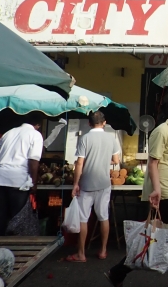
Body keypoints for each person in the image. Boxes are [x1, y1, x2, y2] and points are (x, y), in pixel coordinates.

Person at [106, 94, 168, 287]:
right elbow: (153, 163)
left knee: (158, 238)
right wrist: (157, 190)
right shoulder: (161, 131)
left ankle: (118, 272)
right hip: (164, 194)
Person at [68, 111, 120, 262]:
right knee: (104, 216)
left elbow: (79, 163)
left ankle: (81, 254)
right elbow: (116, 160)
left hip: (86, 184)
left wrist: (75, 183)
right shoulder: (111, 138)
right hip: (104, 184)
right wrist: (104, 162)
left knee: (83, 219)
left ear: (89, 123)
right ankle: (103, 251)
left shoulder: (85, 138)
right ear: (104, 123)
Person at [0, 112, 43, 236]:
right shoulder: (35, 135)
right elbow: (33, 161)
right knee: (18, 217)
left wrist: (7, 159)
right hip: (18, 181)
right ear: (38, 125)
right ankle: (15, 247)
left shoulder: (9, 132)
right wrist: (34, 183)